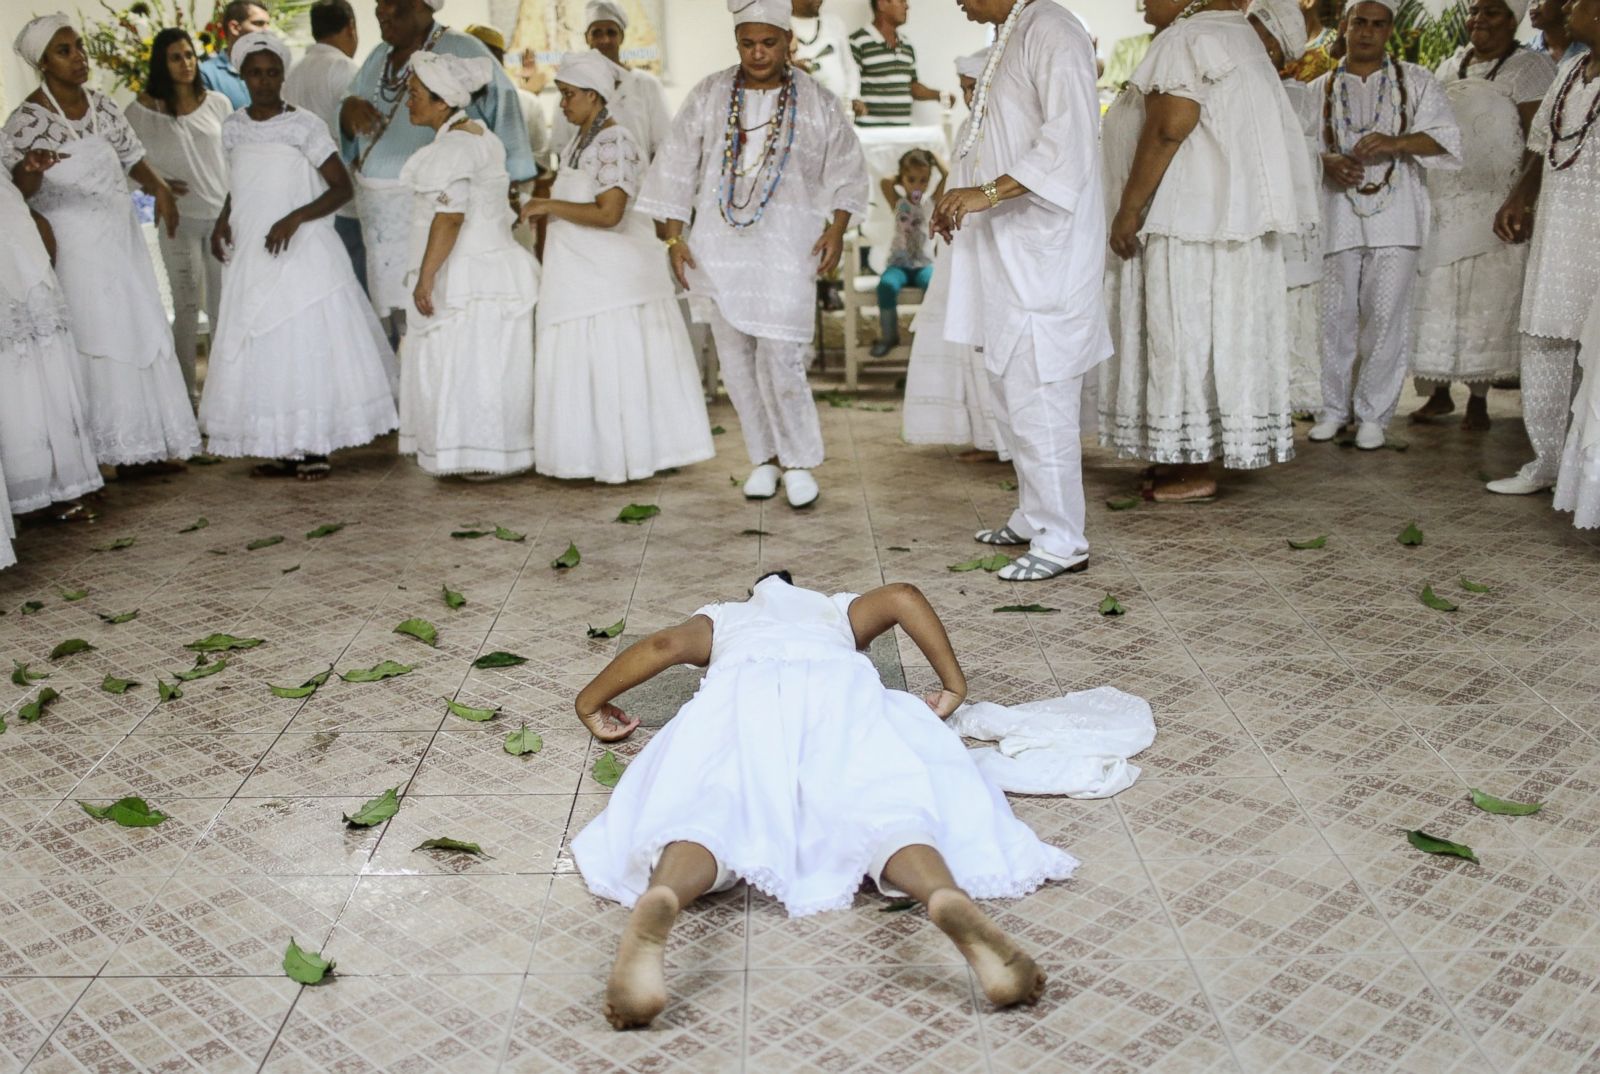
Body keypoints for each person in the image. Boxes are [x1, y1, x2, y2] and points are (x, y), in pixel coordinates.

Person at [571, 572, 1075, 1029]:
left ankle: (665, 897)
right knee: (881, 802)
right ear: (803, 591)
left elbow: (663, 645)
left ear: (753, 593)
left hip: (741, 700)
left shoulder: (724, 617)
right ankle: (942, 895)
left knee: (713, 800)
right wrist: (952, 684)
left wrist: (589, 701)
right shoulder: (836, 610)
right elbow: (903, 596)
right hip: (840, 690)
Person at [638, 0, 868, 510]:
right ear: (737, 42)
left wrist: (836, 226)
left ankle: (800, 462)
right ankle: (763, 460)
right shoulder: (710, 94)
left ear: (789, 42)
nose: (758, 53)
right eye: (748, 43)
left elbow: (848, 171)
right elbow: (676, 165)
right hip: (718, 248)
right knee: (737, 361)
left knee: (782, 358)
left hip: (789, 247)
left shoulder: (817, 100)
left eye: (769, 42)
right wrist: (675, 239)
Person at [1099, 0, 1318, 503]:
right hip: (1216, 221)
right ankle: (1178, 452)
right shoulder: (1233, 33)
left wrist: (1129, 209)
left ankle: (1194, 464)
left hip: (1190, 219)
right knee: (1195, 335)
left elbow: (1169, 125)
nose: (1141, 3)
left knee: (1183, 335)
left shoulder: (1189, 38)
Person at [931, 0, 1108, 580]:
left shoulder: (1054, 28)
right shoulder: (1014, 30)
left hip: (1044, 250)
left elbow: (1070, 140)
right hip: (1010, 247)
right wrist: (961, 193)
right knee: (1012, 388)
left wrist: (987, 192)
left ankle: (1063, 540)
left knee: (1042, 391)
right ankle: (1035, 517)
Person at [5, 15, 201, 472]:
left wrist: (162, 193)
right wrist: (32, 167)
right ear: (42, 62)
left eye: (78, 48)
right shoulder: (26, 121)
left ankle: (146, 443)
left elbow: (134, 158)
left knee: (137, 326)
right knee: (97, 334)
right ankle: (104, 450)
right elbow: (17, 192)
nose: (78, 58)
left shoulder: (103, 105)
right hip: (74, 246)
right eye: (64, 51)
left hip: (120, 238)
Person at [201, 32, 398, 480]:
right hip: (253, 246)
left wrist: (294, 219)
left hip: (301, 247)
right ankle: (280, 445)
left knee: (301, 339)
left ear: (283, 75)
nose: (265, 81)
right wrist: (222, 218)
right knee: (264, 342)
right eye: (256, 73)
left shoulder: (304, 125)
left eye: (273, 73)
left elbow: (340, 188)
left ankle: (313, 444)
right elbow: (240, 184)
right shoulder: (233, 126)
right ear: (242, 75)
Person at [525, 53, 714, 484]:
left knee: (618, 353)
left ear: (593, 96)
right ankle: (590, 452)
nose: (563, 104)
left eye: (569, 95)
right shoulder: (582, 139)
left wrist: (547, 204)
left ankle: (633, 450)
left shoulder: (615, 141)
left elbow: (610, 212)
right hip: (581, 271)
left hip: (611, 276)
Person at [1305, 0, 1461, 451]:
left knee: (1386, 319)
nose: (1368, 32)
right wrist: (1325, 162)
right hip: (1336, 217)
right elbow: (1296, 146)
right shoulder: (1319, 87)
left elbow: (1447, 137)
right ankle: (1332, 410)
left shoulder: (1417, 81)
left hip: (1398, 219)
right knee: (1334, 317)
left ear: (1390, 29)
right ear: (1346, 26)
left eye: (1378, 24)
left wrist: (1396, 142)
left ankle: (1373, 414)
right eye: (1360, 23)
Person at [339, 0, 536, 341]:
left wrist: (513, 184)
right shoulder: (378, 56)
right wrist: (347, 112)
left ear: (421, 6)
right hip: (381, 219)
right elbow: (349, 109)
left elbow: (504, 110)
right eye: (377, 4)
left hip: (443, 209)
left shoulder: (463, 48)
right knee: (397, 318)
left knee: (440, 309)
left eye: (391, 4)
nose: (380, 11)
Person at [1410, 0, 1554, 430]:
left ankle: (1479, 398)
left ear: (1513, 20)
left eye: (1492, 12)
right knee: (1438, 293)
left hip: (1495, 201)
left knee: (1484, 298)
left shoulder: (1530, 68)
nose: (1478, 20)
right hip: (1445, 198)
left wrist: (1522, 198)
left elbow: (1539, 138)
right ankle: (1437, 394)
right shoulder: (1450, 64)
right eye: (1474, 11)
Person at [395, 51, 538, 478]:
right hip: (493, 265)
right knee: (486, 363)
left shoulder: (454, 148)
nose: (408, 102)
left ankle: (475, 454)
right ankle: (491, 452)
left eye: (416, 94)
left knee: (467, 363)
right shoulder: (482, 137)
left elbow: (450, 217)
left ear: (443, 102)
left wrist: (426, 277)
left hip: (467, 272)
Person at [1488, 6, 1600, 495]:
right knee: (1545, 340)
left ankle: (1585, 472)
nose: (1570, 8)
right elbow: (1542, 142)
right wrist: (1519, 195)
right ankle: (1547, 462)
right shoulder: (1572, 69)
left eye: (1581, 0)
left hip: (1595, 233)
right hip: (1557, 231)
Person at [901, 49, 1008, 461]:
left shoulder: (1005, 126)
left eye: (974, 87)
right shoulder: (969, 125)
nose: (969, 96)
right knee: (966, 345)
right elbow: (953, 178)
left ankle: (1006, 440)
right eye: (964, 88)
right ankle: (987, 436)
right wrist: (940, 209)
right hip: (961, 246)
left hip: (991, 246)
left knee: (990, 343)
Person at [0, 131, 103, 521]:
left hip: (13, 234)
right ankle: (17, 489)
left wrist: (30, 169)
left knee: (39, 353)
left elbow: (20, 186)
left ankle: (53, 484)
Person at [127, 27, 232, 407]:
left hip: (220, 219)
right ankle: (184, 398)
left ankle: (223, 397)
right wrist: (156, 185)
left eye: (189, 55)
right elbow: (122, 165)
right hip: (177, 221)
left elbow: (235, 159)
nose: (186, 63)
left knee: (223, 311)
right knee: (186, 308)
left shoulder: (218, 103)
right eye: (175, 57)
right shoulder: (139, 111)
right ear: (161, 63)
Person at [1248, 0, 1323, 416]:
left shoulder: (1296, 96)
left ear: (1277, 42)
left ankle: (1284, 397)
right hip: (1258, 223)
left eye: (1257, 27)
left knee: (1287, 308)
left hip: (1285, 225)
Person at [284, 0, 368, 291]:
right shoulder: (343, 67)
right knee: (357, 287)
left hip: (305, 197)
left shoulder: (293, 73)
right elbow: (362, 133)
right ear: (351, 28)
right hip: (344, 198)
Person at [547, 3, 674, 162]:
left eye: (611, 32)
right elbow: (562, 150)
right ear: (587, 38)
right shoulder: (572, 91)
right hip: (585, 183)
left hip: (641, 183)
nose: (604, 39)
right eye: (597, 33)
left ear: (622, 37)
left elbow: (663, 145)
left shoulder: (647, 84)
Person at [871, 147, 942, 357]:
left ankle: (931, 337)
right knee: (886, 285)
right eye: (912, 179)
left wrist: (934, 158)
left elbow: (948, 176)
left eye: (923, 180)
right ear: (902, 179)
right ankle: (889, 335)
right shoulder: (898, 203)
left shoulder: (931, 204)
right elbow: (885, 181)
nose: (918, 185)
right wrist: (903, 180)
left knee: (934, 287)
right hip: (898, 265)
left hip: (923, 265)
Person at [463, 24, 554, 175]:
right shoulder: (447, 104)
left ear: (500, 59)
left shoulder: (528, 103)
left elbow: (541, 159)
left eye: (488, 55)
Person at [848, 0, 954, 126]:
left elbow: (912, 86)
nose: (907, 6)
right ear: (882, 4)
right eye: (901, 1)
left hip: (903, 134)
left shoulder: (906, 45)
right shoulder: (857, 42)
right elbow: (847, 85)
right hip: (870, 136)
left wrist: (940, 96)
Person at [198, 0, 271, 109]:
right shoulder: (207, 74)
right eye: (259, 24)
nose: (267, 31)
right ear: (234, 27)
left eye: (267, 24)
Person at [790, 0, 859, 115]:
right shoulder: (780, 25)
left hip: (838, 112)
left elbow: (849, 66)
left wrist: (853, 96)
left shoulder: (834, 23)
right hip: (800, 112)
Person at [1531, 0, 1589, 65]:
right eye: (1531, 1)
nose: (1533, 7)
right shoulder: (1527, 53)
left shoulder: (1591, 44)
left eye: (1540, 0)